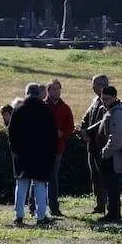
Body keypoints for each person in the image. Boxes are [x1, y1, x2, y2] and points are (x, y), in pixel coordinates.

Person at [8, 83, 57, 227]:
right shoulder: (46, 110)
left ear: (27, 93)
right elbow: (52, 135)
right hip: (41, 155)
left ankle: (19, 216)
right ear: (39, 94)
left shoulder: (18, 109)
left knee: (21, 184)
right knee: (40, 185)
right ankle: (41, 216)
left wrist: (14, 149)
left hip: (22, 154)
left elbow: (11, 133)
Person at [95, 85, 122, 225]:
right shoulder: (111, 110)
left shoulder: (117, 113)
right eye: (102, 99)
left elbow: (116, 140)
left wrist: (105, 152)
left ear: (114, 98)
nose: (103, 102)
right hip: (110, 155)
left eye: (106, 99)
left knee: (112, 187)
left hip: (112, 157)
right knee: (110, 186)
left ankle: (113, 215)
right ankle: (112, 214)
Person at [81, 75, 111, 214]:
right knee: (95, 176)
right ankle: (99, 205)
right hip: (92, 144)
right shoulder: (95, 100)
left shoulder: (109, 100)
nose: (92, 87)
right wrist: (82, 129)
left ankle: (108, 206)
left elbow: (103, 121)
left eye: (94, 84)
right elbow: (86, 117)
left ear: (102, 85)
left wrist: (88, 131)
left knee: (104, 176)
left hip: (102, 144)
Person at [45, 79, 74, 218]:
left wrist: (62, 133)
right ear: (48, 91)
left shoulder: (65, 107)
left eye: (58, 89)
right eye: (53, 89)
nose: (56, 91)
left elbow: (70, 126)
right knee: (37, 178)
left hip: (57, 148)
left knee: (53, 178)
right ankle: (34, 207)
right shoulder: (43, 106)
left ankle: (54, 208)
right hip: (42, 148)